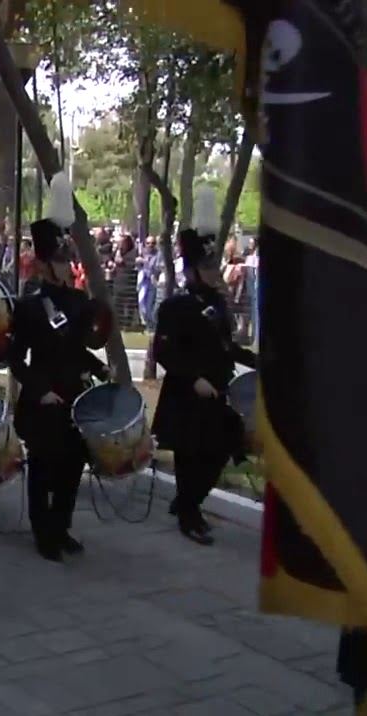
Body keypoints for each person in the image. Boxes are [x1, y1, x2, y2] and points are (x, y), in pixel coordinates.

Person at [8, 173, 110, 562]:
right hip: (44, 396)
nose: (67, 265)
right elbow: (16, 359)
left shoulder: (81, 303)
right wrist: (38, 389)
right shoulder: (31, 305)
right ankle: (42, 532)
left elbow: (77, 351)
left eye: (68, 258)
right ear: (44, 264)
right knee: (43, 469)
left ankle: (61, 526)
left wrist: (99, 371)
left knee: (71, 466)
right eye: (60, 259)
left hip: (76, 395)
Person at [152, 188, 256, 546]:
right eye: (207, 267)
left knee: (226, 442)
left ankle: (186, 503)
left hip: (216, 392)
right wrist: (193, 378)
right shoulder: (176, 306)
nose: (215, 273)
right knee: (190, 456)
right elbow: (163, 352)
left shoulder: (219, 303)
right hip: (186, 395)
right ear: (193, 269)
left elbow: (227, 347)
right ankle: (188, 514)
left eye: (215, 266)